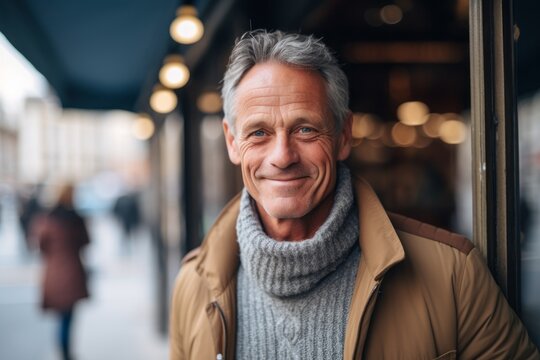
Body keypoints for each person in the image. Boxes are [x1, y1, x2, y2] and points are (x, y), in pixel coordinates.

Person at [169, 30, 539, 359]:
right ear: (233, 143)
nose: (282, 157)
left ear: (344, 135)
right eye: (259, 133)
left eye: (305, 129)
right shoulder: (193, 285)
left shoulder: (454, 276)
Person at [33, 184, 90, 360]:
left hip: (54, 272)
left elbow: (41, 245)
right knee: (68, 316)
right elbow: (86, 241)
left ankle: (64, 351)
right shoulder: (76, 219)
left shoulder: (47, 218)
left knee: (62, 317)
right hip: (72, 271)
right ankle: (66, 352)